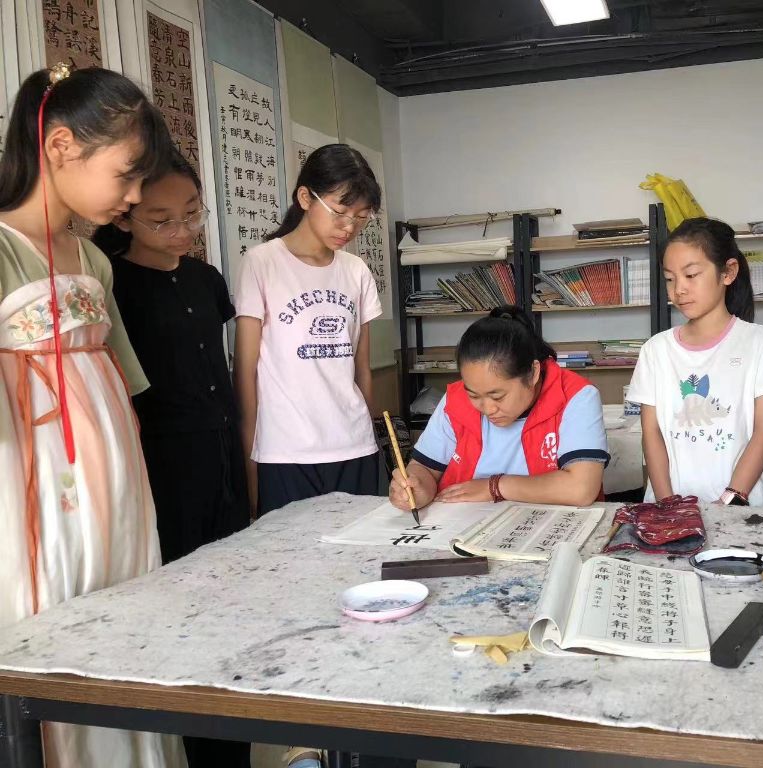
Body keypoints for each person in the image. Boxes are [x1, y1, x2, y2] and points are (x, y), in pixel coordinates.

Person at [0, 65, 184, 767]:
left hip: (116, 488)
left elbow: (121, 382)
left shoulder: (91, 262)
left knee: (124, 618)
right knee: (52, 621)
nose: (134, 196)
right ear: (60, 147)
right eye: (127, 175)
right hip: (34, 491)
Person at [92, 150, 251, 767]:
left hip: (223, 459)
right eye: (162, 220)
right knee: (185, 616)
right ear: (125, 215)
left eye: (192, 214)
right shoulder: (111, 283)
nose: (183, 231)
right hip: (164, 468)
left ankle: (233, 746)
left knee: (231, 608)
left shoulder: (206, 280)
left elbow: (223, 370)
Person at [233, 143, 383, 519]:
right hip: (285, 451)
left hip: (354, 446)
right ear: (305, 197)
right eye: (340, 213)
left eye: (361, 217)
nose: (349, 227)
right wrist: (249, 458)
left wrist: (373, 436)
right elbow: (246, 373)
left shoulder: (356, 271)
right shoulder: (262, 263)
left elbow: (361, 370)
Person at [626, 217, 763, 506]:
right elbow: (651, 434)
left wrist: (730, 500)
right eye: (670, 278)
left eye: (691, 275)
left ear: (728, 272)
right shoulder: (655, 350)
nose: (679, 289)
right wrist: (668, 505)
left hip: (740, 511)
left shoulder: (761, 343)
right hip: (668, 513)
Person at [389, 305, 608, 511]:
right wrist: (416, 488)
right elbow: (425, 469)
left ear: (533, 373)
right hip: (463, 522)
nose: (487, 408)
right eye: (474, 395)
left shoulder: (575, 396)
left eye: (497, 396)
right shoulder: (455, 399)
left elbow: (581, 488)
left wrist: (494, 487)